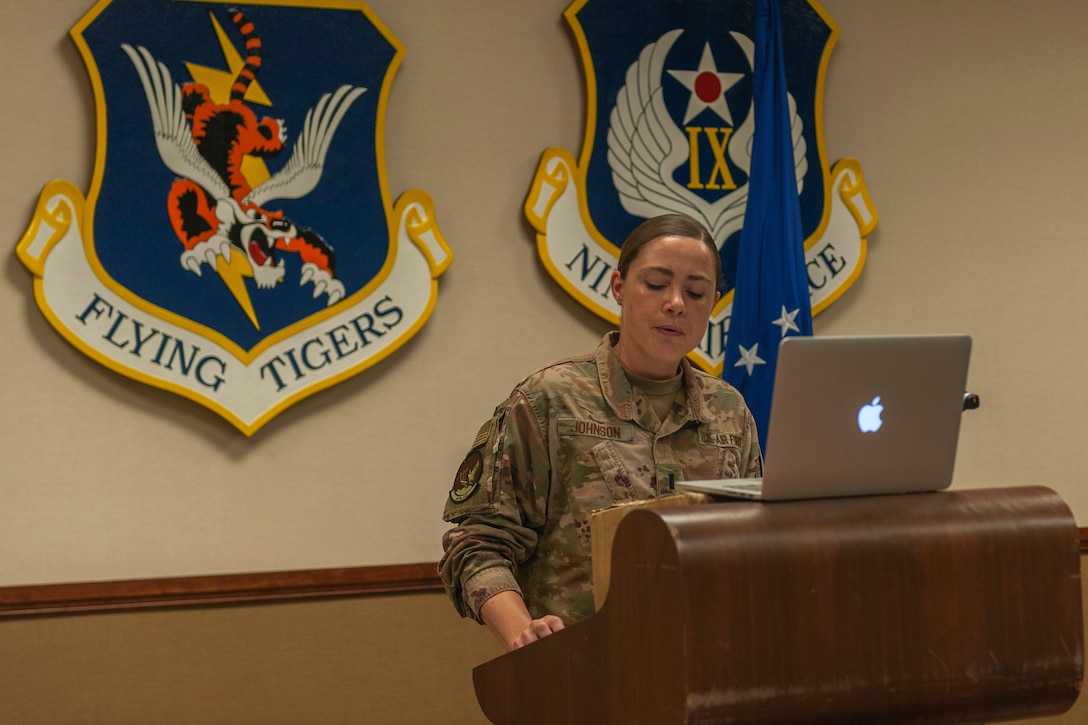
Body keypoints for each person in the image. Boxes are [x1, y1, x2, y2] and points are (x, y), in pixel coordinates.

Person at [439, 213, 762, 652]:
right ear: (618, 287)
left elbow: (753, 543)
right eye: (655, 284)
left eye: (696, 291)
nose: (676, 303)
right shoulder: (549, 400)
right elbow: (476, 544)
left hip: (705, 660)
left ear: (713, 303)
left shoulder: (730, 412)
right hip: (580, 669)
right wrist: (522, 635)